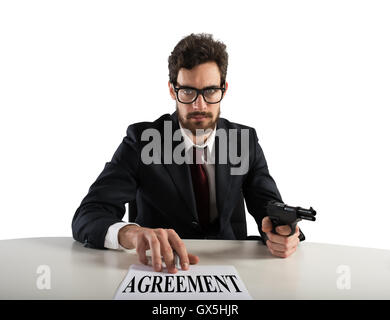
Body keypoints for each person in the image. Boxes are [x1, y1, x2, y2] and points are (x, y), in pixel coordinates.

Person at [72, 33, 305, 274]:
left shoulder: (244, 141)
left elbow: (268, 207)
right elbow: (89, 215)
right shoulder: (141, 142)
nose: (199, 105)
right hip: (160, 269)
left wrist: (282, 231)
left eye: (210, 91)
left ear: (224, 89)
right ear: (173, 91)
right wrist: (131, 233)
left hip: (234, 267)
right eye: (188, 92)